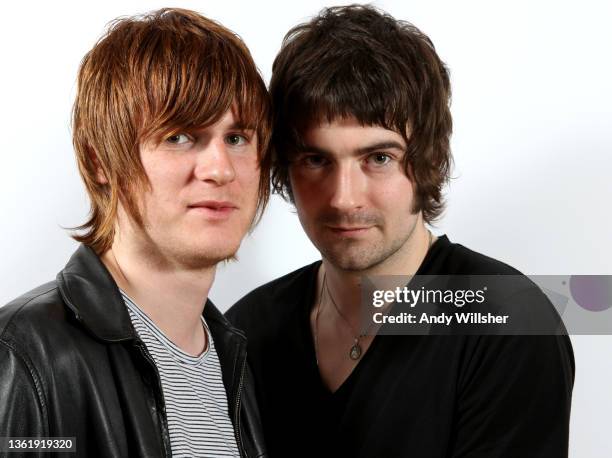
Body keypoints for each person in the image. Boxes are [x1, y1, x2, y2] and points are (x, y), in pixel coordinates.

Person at [226, 5, 574, 457]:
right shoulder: (245, 332)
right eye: (316, 160)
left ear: (428, 160)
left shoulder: (508, 323)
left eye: (379, 158)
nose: (343, 198)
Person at [0, 8, 270, 458]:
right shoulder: (24, 356)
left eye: (238, 137)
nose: (221, 169)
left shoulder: (237, 355)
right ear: (98, 163)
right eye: (180, 136)